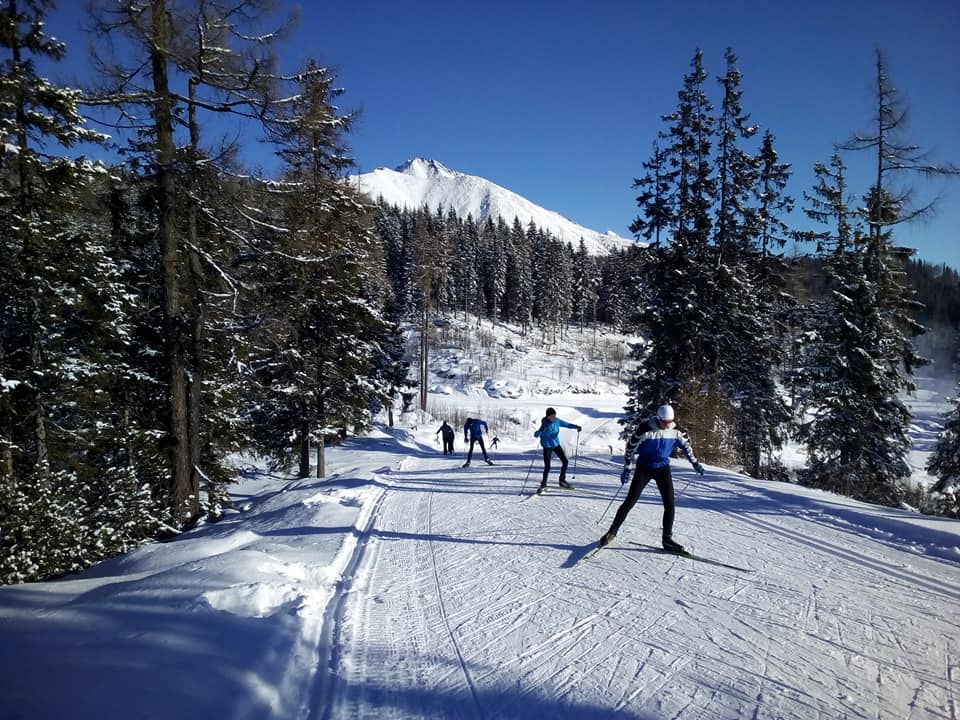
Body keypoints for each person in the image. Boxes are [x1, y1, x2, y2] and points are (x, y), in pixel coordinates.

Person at [600, 404, 704, 552]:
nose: (667, 425)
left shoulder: (676, 431)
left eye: (669, 422)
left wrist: (695, 463)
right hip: (644, 468)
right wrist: (627, 468)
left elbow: (686, 447)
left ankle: (667, 539)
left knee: (670, 504)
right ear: (658, 418)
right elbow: (630, 448)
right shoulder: (645, 429)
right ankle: (612, 531)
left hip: (663, 468)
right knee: (630, 501)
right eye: (664, 422)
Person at [533, 407, 581, 493]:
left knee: (565, 461)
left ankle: (562, 481)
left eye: (554, 416)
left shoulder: (557, 421)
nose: (553, 418)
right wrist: (540, 431)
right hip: (547, 447)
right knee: (547, 466)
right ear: (547, 416)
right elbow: (536, 435)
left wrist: (576, 427)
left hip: (556, 445)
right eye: (551, 416)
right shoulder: (544, 424)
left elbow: (567, 424)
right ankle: (543, 484)